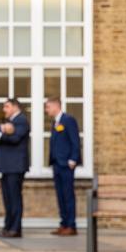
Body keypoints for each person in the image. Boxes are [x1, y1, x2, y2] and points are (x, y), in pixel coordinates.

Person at [0, 98, 29, 238]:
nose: (4, 109)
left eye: (6, 106)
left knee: (14, 198)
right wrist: (3, 132)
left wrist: (0, 134)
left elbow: (15, 139)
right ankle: (7, 227)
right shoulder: (6, 123)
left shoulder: (21, 120)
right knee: (7, 199)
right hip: (5, 167)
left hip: (15, 166)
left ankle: (15, 229)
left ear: (15, 107)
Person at [46, 97, 81, 236]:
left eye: (48, 107)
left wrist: (73, 158)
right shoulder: (56, 122)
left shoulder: (68, 120)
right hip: (57, 164)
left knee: (68, 195)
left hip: (67, 165)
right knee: (60, 195)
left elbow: (75, 140)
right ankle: (64, 223)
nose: (46, 110)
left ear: (56, 106)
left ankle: (71, 225)